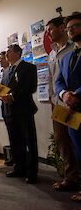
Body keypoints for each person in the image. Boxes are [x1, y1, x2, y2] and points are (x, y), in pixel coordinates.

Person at [46, 16, 79, 191]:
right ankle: (71, 177)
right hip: (58, 103)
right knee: (62, 141)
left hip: (75, 102)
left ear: (61, 28)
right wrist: (54, 98)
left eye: (50, 29)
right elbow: (53, 79)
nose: (48, 33)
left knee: (77, 141)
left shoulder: (74, 47)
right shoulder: (52, 53)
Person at [1, 44, 38, 184]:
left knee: (29, 142)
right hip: (9, 111)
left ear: (17, 53)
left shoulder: (28, 67)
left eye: (9, 52)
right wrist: (1, 94)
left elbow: (30, 87)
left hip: (23, 110)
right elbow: (6, 88)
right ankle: (19, 167)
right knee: (15, 141)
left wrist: (13, 96)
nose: (7, 55)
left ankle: (31, 172)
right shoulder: (7, 70)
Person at [55, 12, 81, 202]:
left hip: (78, 103)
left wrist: (76, 95)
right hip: (70, 109)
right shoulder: (66, 58)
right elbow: (58, 82)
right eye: (70, 27)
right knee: (77, 148)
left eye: (76, 26)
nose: (72, 30)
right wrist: (64, 94)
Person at [0, 51, 13, 166]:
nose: (0, 60)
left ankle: (17, 159)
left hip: (14, 106)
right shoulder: (1, 73)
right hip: (5, 106)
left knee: (18, 136)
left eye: (2, 58)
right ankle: (13, 157)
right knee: (11, 134)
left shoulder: (12, 71)